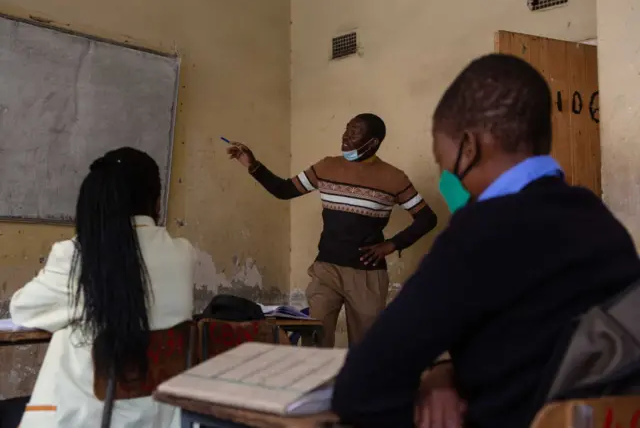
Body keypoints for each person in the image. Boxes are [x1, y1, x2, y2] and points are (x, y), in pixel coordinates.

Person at [331, 54, 640, 428]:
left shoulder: (480, 233)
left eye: (441, 158)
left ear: (469, 147)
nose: (445, 175)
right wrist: (444, 372)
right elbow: (526, 346)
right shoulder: (601, 223)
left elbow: (360, 390)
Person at [10, 147, 196, 428]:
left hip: (84, 419)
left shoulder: (78, 255)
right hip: (159, 417)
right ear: (156, 203)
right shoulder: (183, 255)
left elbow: (23, 309)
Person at [228, 113, 437, 347]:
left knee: (366, 347)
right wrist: (253, 165)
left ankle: (360, 384)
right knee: (314, 340)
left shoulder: (393, 178)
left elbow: (427, 218)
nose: (346, 136)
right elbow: (284, 190)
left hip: (366, 275)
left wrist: (392, 245)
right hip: (326, 269)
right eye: (346, 129)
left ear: (373, 142)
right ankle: (319, 384)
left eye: (355, 132)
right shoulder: (327, 167)